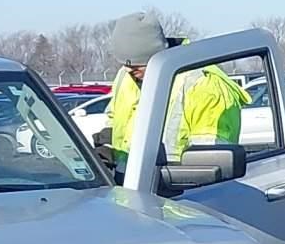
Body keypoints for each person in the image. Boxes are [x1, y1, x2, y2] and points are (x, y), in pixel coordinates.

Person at [104, 11, 245, 168]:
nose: (129, 70)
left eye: (136, 65)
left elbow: (211, 163)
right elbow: (115, 121)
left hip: (181, 187)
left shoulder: (203, 85)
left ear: (156, 56)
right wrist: (106, 150)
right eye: (125, 64)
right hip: (128, 184)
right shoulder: (125, 76)